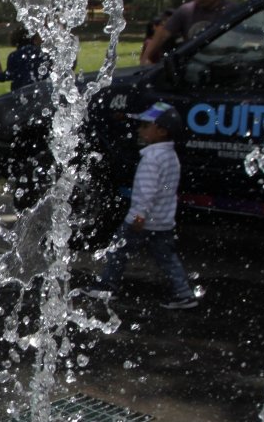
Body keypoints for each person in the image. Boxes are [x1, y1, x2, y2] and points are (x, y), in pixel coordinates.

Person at [81, 102, 198, 309]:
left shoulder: (151, 159)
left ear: (161, 131)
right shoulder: (171, 156)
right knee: (167, 259)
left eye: (145, 126)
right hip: (163, 220)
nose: (139, 130)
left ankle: (107, 286)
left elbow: (146, 191)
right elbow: (166, 189)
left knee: (118, 251)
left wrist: (139, 214)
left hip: (141, 219)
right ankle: (184, 294)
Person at [140, 0, 236, 65]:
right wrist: (145, 58)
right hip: (195, 65)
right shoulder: (186, 11)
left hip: (226, 62)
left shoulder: (232, 10)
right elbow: (163, 34)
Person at [0, 24, 50, 90]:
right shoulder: (42, 53)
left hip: (21, 91)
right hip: (42, 90)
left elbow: (8, 75)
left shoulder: (14, 56)